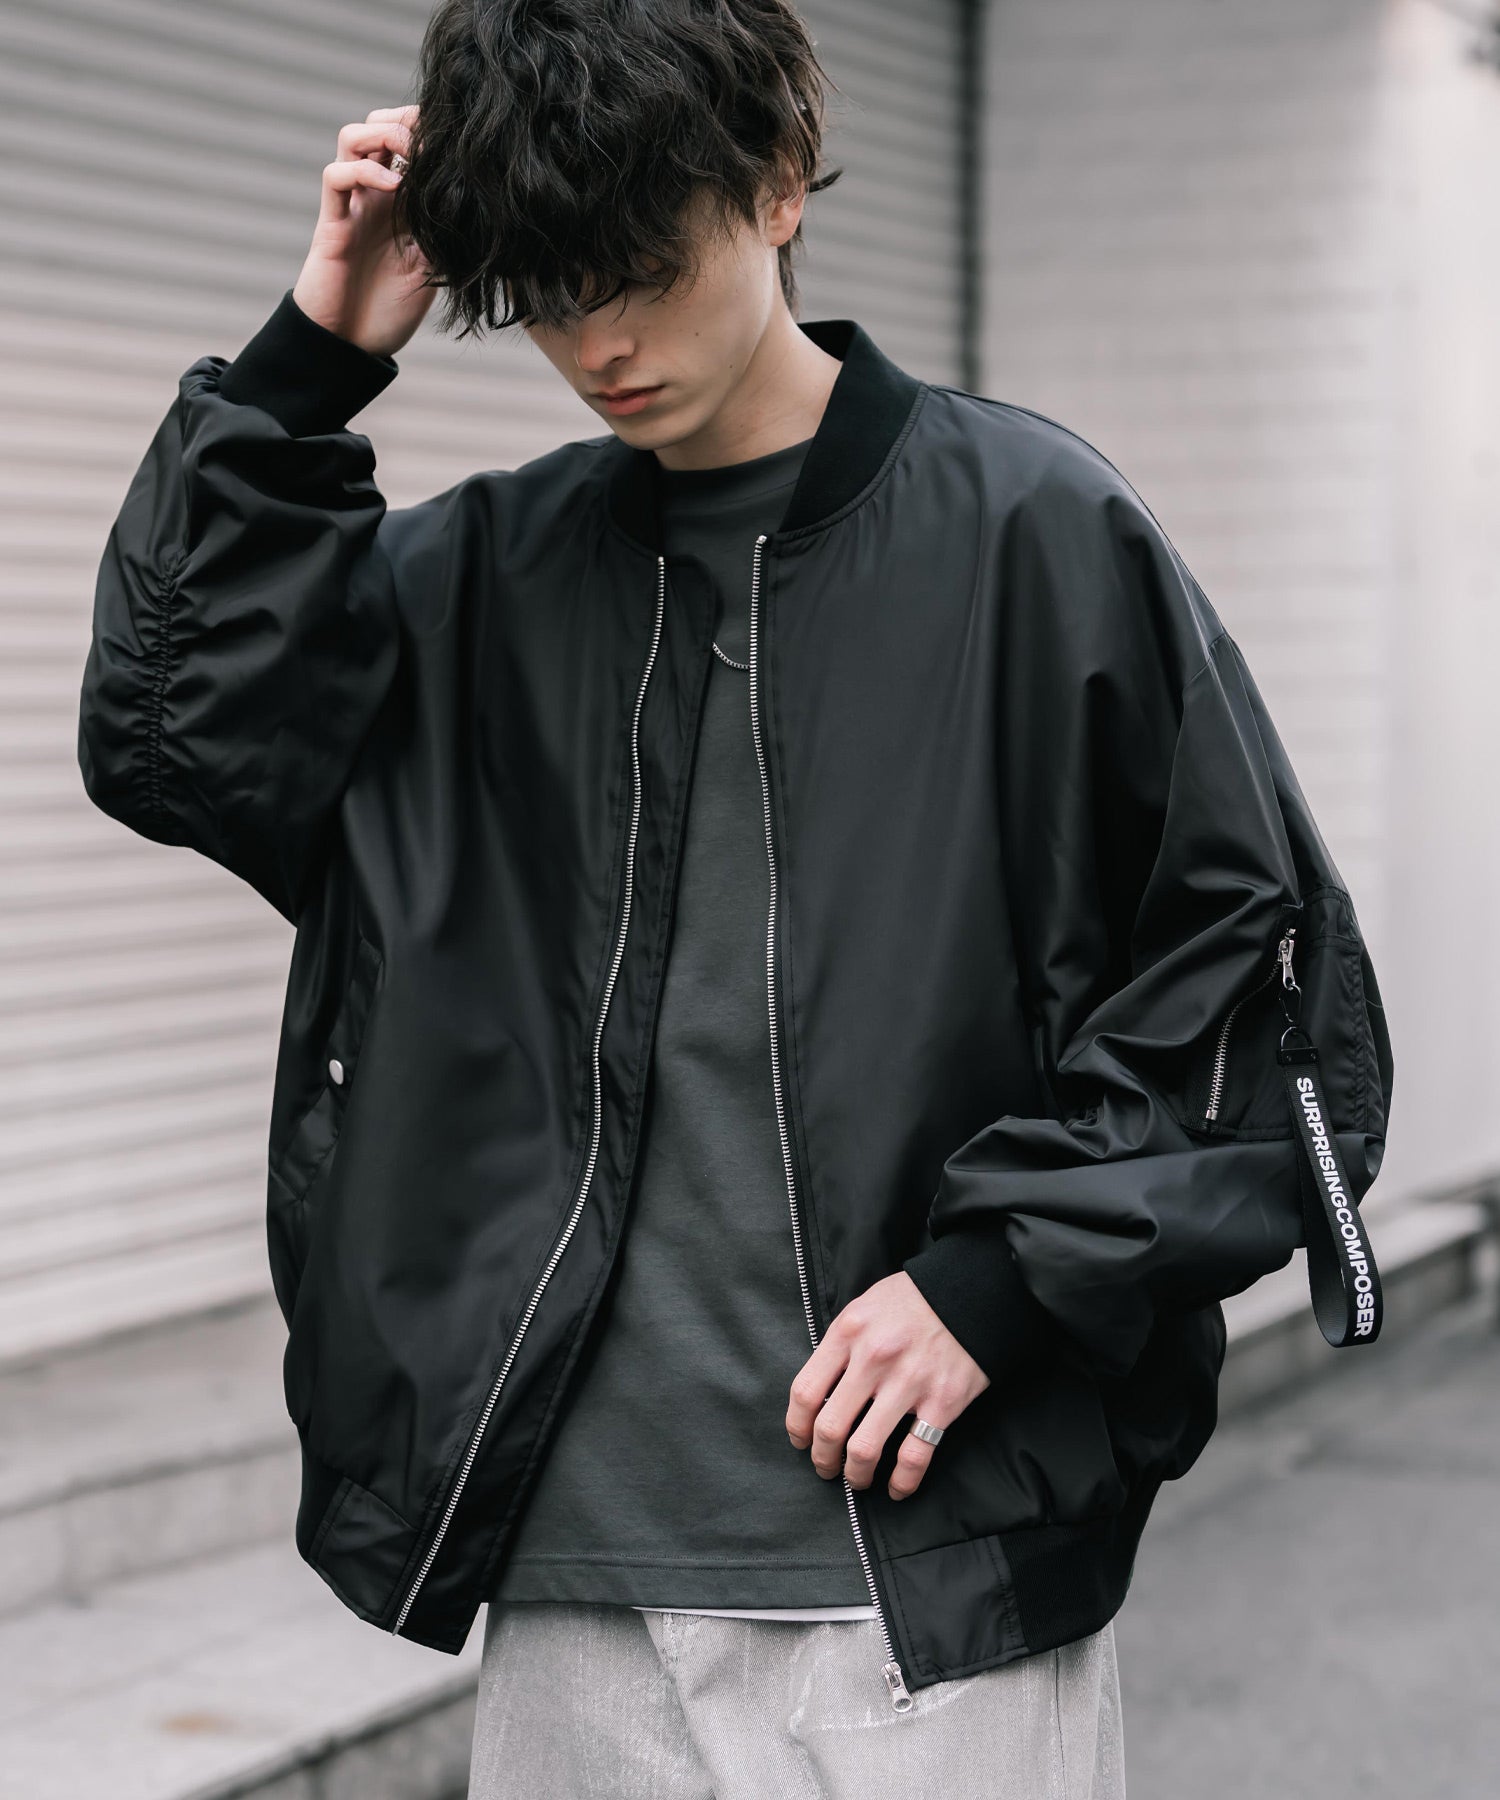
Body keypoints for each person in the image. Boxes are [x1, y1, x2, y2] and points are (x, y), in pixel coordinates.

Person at [77, 2, 1393, 1795]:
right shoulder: (479, 584)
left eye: (641, 269)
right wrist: (308, 366)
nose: (600, 344)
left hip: (927, 1597)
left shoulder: (1032, 536)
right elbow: (171, 740)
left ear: (777, 185)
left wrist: (1000, 1279)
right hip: (572, 1583)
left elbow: (1260, 992)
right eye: (549, 293)